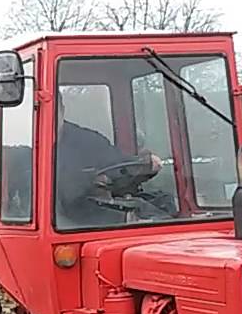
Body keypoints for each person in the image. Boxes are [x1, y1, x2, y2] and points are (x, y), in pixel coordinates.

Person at [55, 91, 162, 228]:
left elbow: (117, 163)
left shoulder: (89, 142)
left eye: (54, 112)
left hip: (95, 217)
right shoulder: (26, 151)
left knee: (155, 208)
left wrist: (144, 165)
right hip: (61, 222)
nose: (48, 120)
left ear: (62, 110)